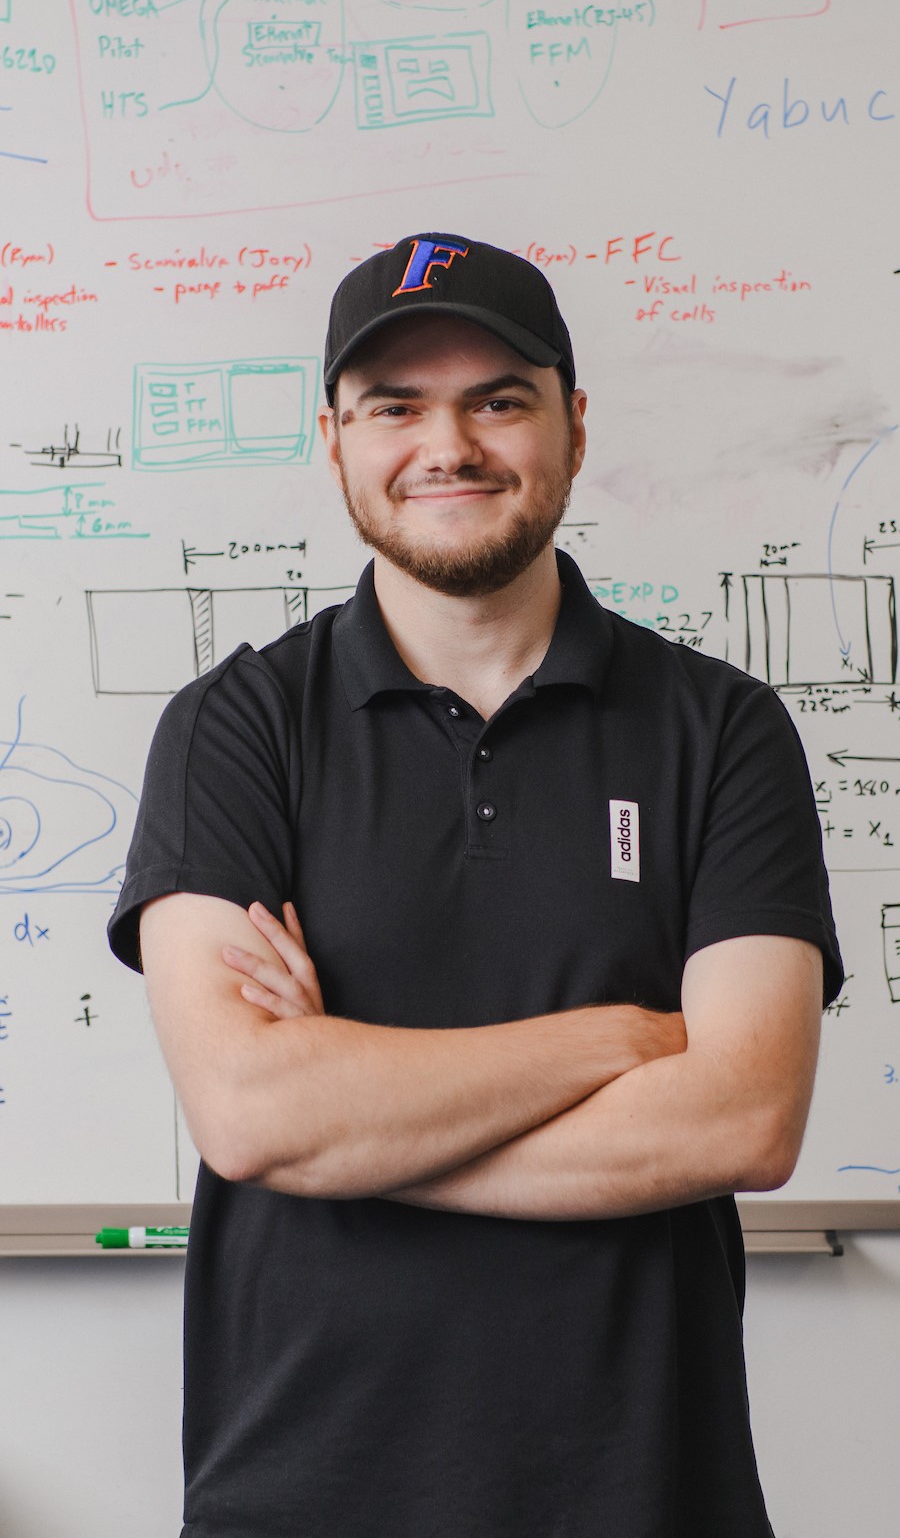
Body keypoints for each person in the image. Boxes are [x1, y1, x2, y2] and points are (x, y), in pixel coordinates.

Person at [109, 231, 842, 1538]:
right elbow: (252, 1119)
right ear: (335, 442)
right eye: (395, 406)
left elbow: (739, 1123)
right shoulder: (236, 729)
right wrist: (613, 1040)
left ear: (570, 423)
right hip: (301, 1496)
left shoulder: (722, 731)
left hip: (645, 1497)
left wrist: (352, 1111)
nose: (448, 444)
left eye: (497, 399)